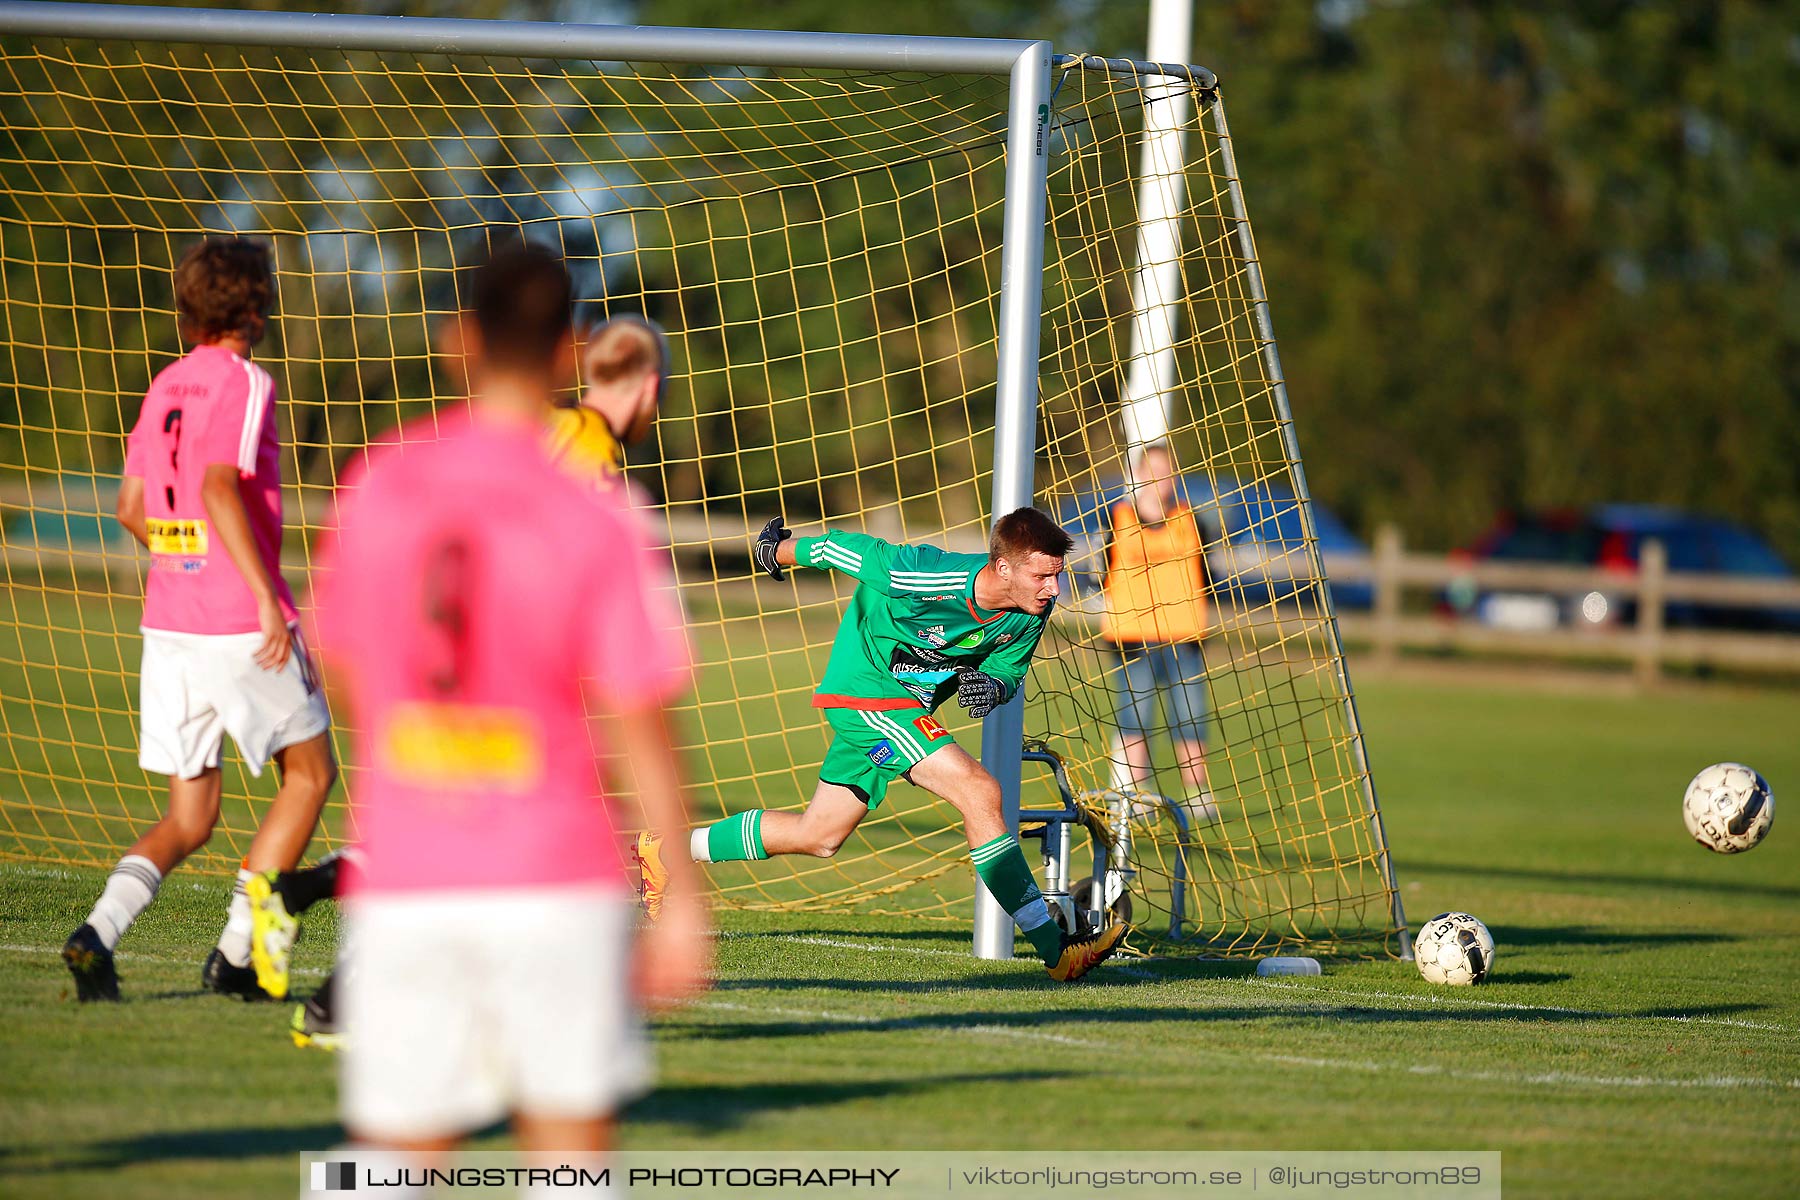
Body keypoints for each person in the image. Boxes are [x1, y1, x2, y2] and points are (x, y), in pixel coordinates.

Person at [306, 242, 709, 1155]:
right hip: (556, 870)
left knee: (393, 1161)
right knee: (568, 1154)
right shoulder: (598, 507)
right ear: (572, 353)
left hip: (413, 868)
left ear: (458, 343)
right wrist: (682, 898)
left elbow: (345, 661)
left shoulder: (381, 481)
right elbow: (640, 713)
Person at [266, 312, 675, 1048]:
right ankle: (346, 968)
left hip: (447, 669)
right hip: (510, 682)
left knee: (449, 835)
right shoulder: (587, 451)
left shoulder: (545, 429)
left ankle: (328, 952)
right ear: (647, 387)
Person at [636, 508, 1127, 982]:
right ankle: (1056, 949)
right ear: (1002, 567)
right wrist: (780, 550)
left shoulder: (1029, 612)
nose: (1054, 588)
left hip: (903, 709)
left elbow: (1006, 670)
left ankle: (665, 851)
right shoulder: (929, 576)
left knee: (820, 836)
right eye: (1042, 576)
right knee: (978, 790)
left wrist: (992, 687)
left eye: (1057, 575)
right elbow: (850, 551)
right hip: (864, 691)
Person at [61, 236, 338, 1003]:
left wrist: (186, 560)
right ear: (254, 306)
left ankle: (96, 935)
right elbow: (219, 486)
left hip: (171, 623)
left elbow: (129, 509)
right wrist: (255, 594)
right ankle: (237, 955)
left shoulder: (166, 384)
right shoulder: (245, 382)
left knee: (190, 816)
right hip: (237, 622)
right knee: (311, 776)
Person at [1098, 443, 1216, 831]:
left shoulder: (1192, 519)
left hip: (1182, 634)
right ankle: (1136, 792)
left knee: (1190, 714)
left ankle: (1198, 792)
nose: (1159, 481)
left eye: (1166, 473)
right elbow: (1104, 569)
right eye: (1152, 472)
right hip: (1133, 636)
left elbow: (1208, 572)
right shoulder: (1116, 518)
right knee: (1136, 714)